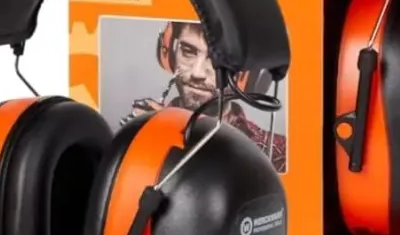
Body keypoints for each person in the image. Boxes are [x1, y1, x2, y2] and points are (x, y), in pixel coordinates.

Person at [121, 21, 287, 173]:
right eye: (188, 51)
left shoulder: (278, 153)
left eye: (218, 60)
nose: (197, 73)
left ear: (248, 74)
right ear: (169, 53)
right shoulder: (143, 129)